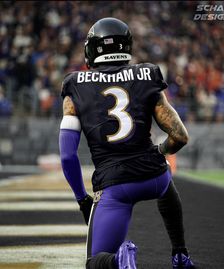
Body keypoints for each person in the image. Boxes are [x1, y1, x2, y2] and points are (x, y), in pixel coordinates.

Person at [59, 17, 195, 269]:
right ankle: (180, 254)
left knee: (95, 262)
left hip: (116, 185)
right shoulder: (147, 74)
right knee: (166, 180)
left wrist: (82, 199)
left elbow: (67, 156)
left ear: (92, 49)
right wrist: (159, 151)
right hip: (154, 177)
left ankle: (119, 261)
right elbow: (180, 136)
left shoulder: (75, 85)